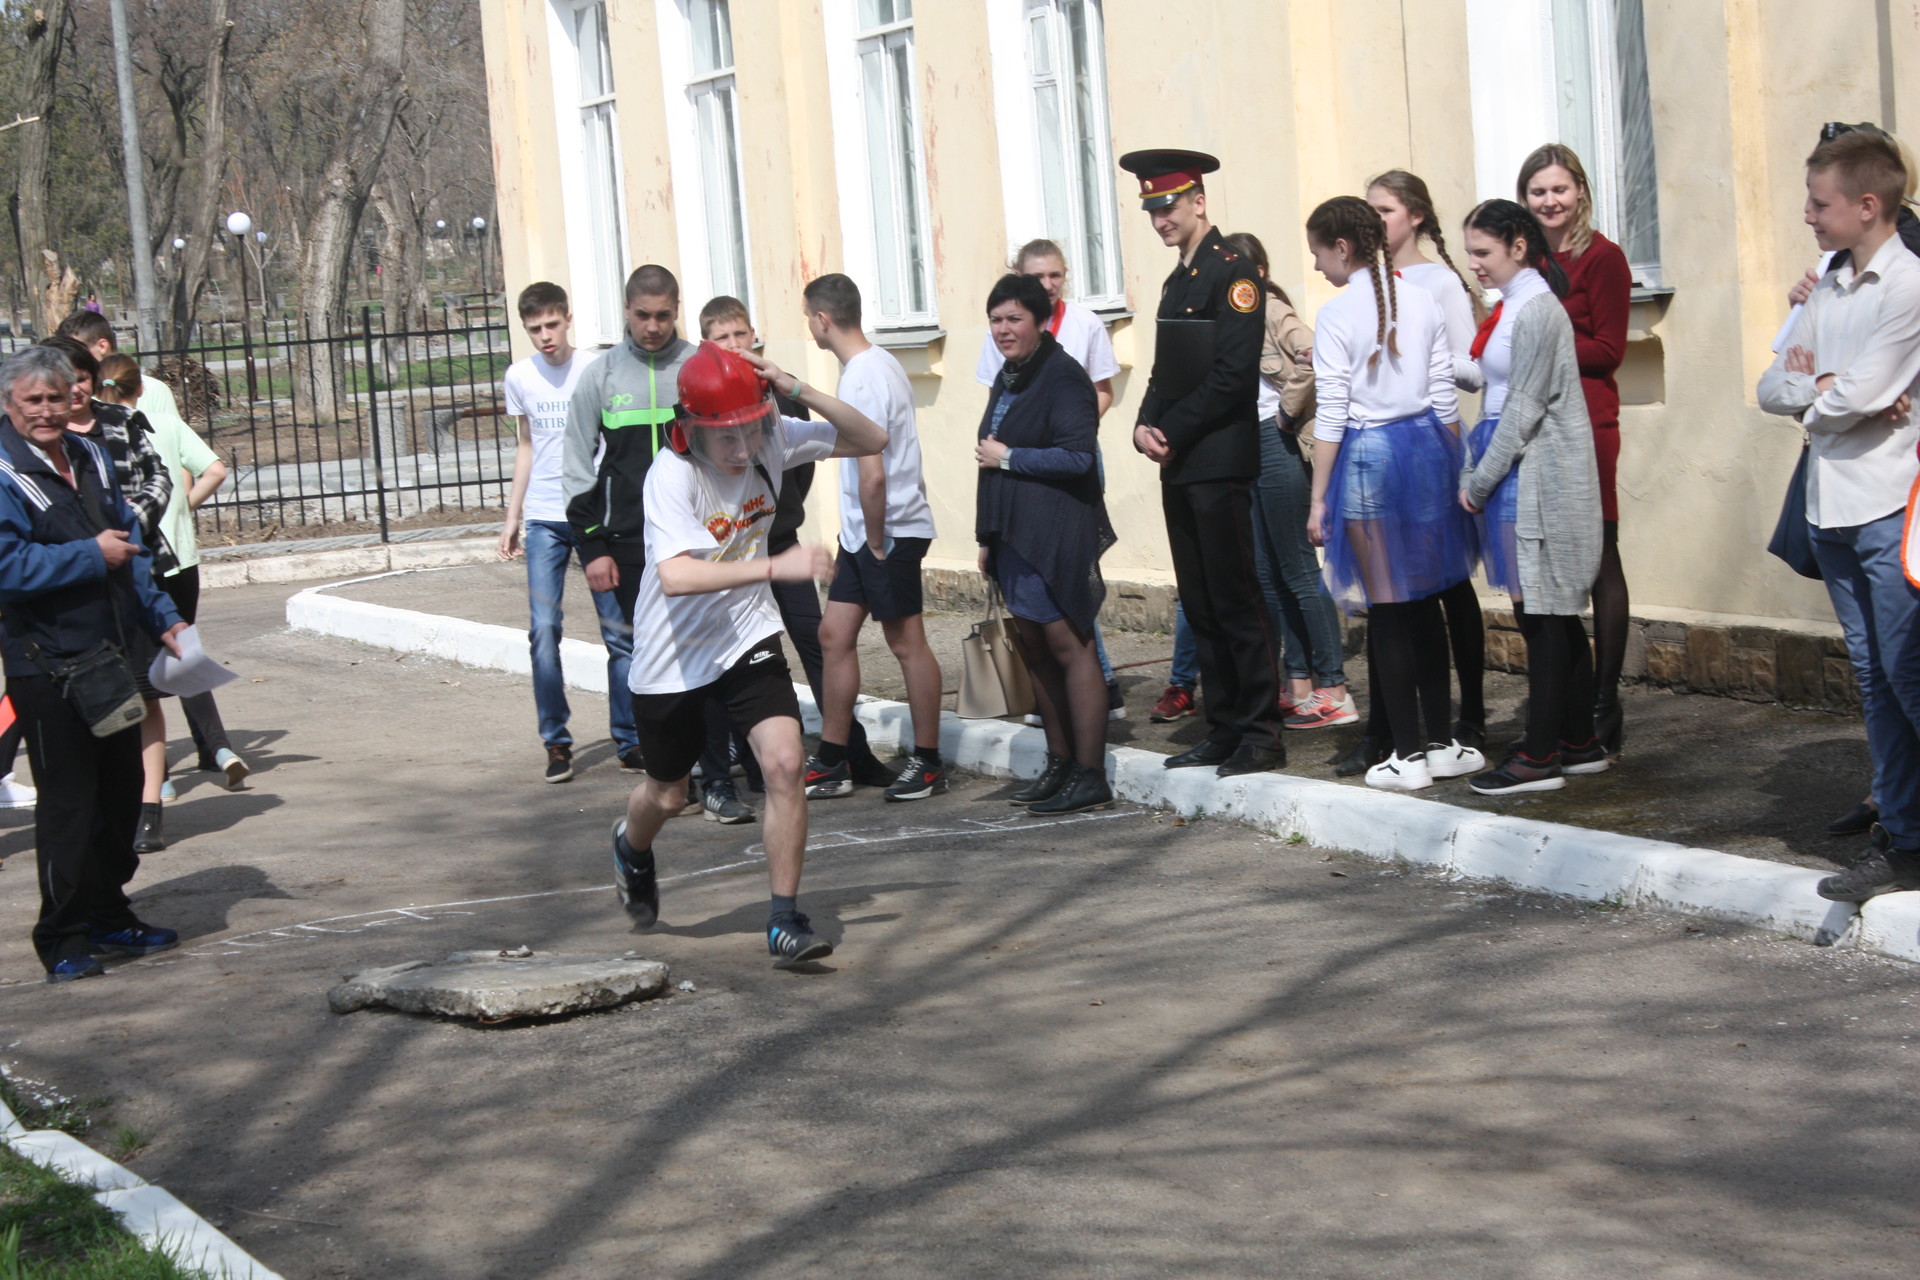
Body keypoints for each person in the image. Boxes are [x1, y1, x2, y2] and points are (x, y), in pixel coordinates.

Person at [609, 340, 886, 964]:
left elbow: (872, 438)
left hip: (744, 637)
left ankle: (785, 919)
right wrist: (774, 564)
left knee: (786, 765)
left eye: (749, 431)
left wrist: (795, 387)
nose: (739, 451)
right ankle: (632, 846)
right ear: (689, 431)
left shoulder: (771, 438)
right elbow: (677, 576)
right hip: (673, 654)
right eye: (723, 439)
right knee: (669, 796)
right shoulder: (671, 475)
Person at [1758, 128, 1920, 901]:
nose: (1808, 216)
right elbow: (1772, 387)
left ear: (1866, 205)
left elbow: (1850, 396)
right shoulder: (1824, 286)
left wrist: (1826, 395)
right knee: (1873, 677)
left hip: (1892, 504)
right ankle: (1903, 835)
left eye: (1820, 204)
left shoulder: (1908, 286)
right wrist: (1833, 389)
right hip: (1833, 506)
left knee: (1908, 671)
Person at [0, 345, 187, 982]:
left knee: (117, 792)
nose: (47, 411)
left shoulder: (90, 454)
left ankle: (110, 912)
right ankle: (63, 935)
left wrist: (165, 619)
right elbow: (7, 567)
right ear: (9, 405)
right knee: (68, 802)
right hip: (43, 662)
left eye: (56, 398)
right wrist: (88, 556)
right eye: (34, 401)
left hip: (106, 653)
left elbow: (128, 547)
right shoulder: (3, 469)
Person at [1302, 195, 1478, 792]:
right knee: (1426, 602)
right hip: (1428, 450)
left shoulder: (1335, 314)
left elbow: (1330, 416)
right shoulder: (1424, 298)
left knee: (1389, 610)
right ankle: (1441, 742)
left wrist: (1318, 498)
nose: (1320, 268)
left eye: (1320, 255)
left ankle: (1405, 754)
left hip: (1368, 458)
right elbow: (1445, 397)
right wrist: (1452, 466)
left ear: (1343, 247)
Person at [1119, 147, 1284, 777]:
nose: (1161, 217)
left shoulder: (1232, 271)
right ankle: (1224, 726)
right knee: (1201, 599)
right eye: (1152, 208)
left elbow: (1233, 376)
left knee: (1237, 597)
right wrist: (1143, 424)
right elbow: (1166, 369)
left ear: (1198, 201)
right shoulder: (1177, 279)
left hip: (1216, 457)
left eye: (1169, 204)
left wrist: (1171, 429)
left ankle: (1262, 731)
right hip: (1180, 460)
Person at [699, 295, 893, 805]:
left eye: (741, 334)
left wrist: (780, 518)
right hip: (734, 553)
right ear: (708, 346)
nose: (736, 345)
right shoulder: (706, 404)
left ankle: (850, 749)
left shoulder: (781, 400)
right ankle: (740, 765)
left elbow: (803, 466)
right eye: (723, 338)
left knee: (817, 641)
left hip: (779, 538)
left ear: (755, 335)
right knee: (738, 654)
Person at [56, 311, 245, 793]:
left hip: (135, 558)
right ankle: (216, 748)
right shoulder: (159, 416)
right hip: (170, 554)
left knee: (140, 671)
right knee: (175, 655)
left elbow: (157, 480)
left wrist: (124, 523)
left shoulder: (107, 429)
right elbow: (209, 471)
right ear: (139, 387)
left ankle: (154, 783)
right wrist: (180, 507)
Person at [1457, 200, 1606, 794]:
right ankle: (1577, 740)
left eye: (1483, 253)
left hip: (1531, 471)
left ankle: (1541, 757)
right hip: (1514, 465)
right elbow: (1494, 383)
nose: (1475, 265)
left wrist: (1479, 482)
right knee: (1544, 611)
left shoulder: (1539, 310)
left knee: (1543, 613)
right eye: (1470, 253)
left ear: (1520, 245)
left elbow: (1522, 409)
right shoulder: (1512, 305)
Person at [562, 264, 712, 811]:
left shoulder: (697, 365)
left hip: (691, 536)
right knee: (642, 655)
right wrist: (593, 547)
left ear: (678, 312)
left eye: (664, 316)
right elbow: (577, 467)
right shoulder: (599, 376)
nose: (653, 327)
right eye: (643, 315)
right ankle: (666, 772)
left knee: (697, 649)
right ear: (627, 312)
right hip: (623, 543)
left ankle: (711, 767)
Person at [1356, 170, 1490, 766]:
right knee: (1390, 594)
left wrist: (1421, 357)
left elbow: (1471, 365)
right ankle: (1388, 723)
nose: (1375, 221)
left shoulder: (1438, 283)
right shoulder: (1363, 282)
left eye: (1384, 210)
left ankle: (1470, 714)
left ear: (1413, 215)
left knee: (1448, 585)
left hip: (1430, 443)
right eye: (1369, 211)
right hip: (1381, 450)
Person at [800, 273, 946, 802]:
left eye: (808, 318)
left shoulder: (864, 375)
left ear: (822, 319)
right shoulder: (877, 363)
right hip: (864, 534)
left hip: (887, 530)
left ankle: (928, 763)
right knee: (834, 635)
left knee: (907, 643)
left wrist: (879, 538)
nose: (810, 327)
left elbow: (874, 472)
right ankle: (834, 760)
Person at [974, 272, 1117, 813]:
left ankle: (1090, 771)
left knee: (1069, 647)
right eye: (995, 319)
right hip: (1012, 535)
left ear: (1039, 322)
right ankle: (1059, 764)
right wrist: (986, 537)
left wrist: (1012, 457)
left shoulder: (1064, 377)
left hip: (1055, 533)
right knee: (1035, 651)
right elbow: (988, 460)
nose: (1003, 329)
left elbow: (1077, 456)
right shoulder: (1009, 378)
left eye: (1013, 319)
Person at [496, 281, 635, 784]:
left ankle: (630, 738)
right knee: (543, 630)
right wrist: (513, 517)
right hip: (544, 519)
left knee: (619, 632)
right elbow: (527, 447)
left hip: (594, 515)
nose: (544, 336)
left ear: (568, 319)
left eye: (551, 325)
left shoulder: (594, 369)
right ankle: (556, 742)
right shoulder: (520, 378)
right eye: (534, 329)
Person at [1519, 145, 1632, 756]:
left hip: (1589, 422)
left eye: (1559, 189)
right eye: (1538, 192)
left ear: (1581, 192)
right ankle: (1565, 699)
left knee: (1599, 557)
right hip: (1537, 424)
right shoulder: (1528, 260)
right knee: (1550, 564)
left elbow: (1611, 348)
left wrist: (1544, 346)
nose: (1550, 202)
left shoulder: (1603, 257)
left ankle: (1603, 700)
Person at [44, 337, 176, 852]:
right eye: (66, 378)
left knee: (145, 693)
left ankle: (149, 808)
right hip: (72, 591)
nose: (76, 388)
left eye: (83, 376)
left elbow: (160, 478)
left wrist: (129, 527)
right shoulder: (33, 444)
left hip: (134, 570)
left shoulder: (119, 423)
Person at [1220, 230, 1352, 733]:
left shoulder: (1271, 312)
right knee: (1266, 574)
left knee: (1297, 569)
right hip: (1246, 447)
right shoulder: (1231, 320)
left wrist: (1284, 413)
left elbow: (1314, 353)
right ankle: (1297, 684)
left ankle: (1334, 688)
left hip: (1275, 445)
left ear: (1258, 274)